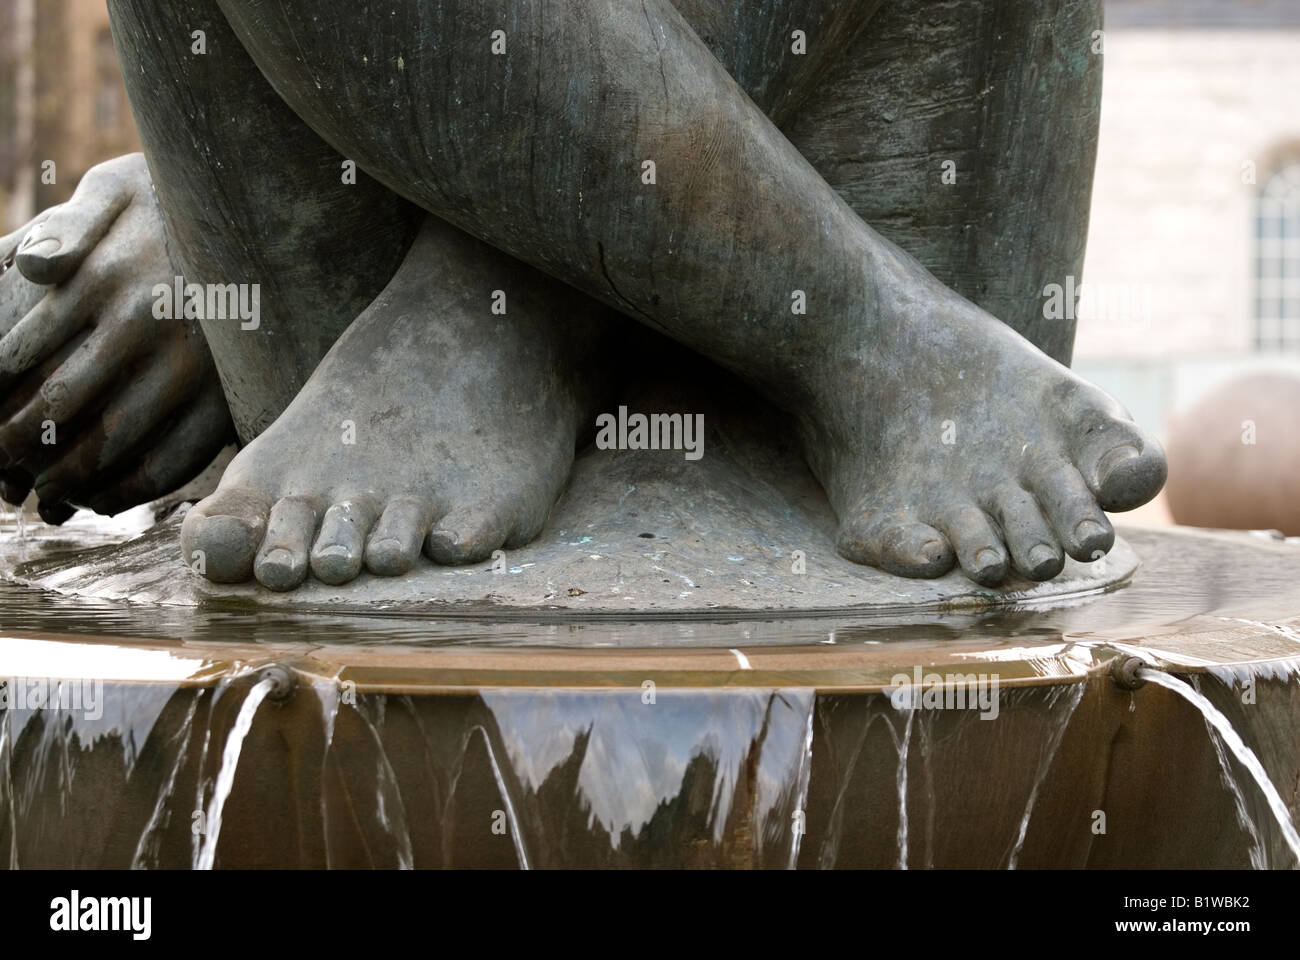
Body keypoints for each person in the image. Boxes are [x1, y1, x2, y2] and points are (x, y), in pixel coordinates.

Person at [0, 0, 1164, 591]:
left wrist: (479, 310)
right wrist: (196, 193)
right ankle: (520, 287)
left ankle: (835, 328)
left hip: (877, 213)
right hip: (359, 298)